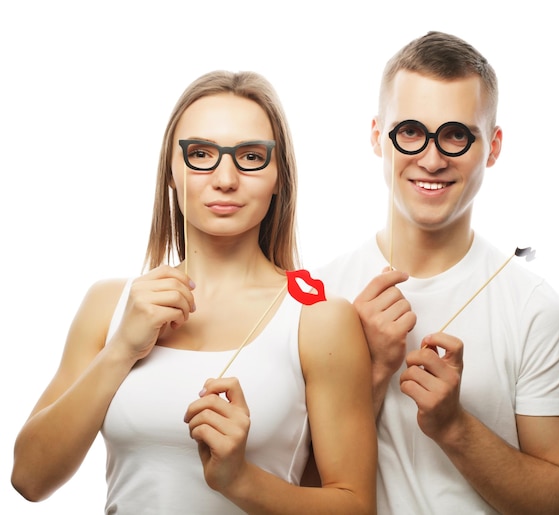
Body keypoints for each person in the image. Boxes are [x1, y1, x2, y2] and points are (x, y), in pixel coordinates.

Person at [11, 70, 377, 514]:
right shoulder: (110, 305)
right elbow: (29, 479)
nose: (225, 179)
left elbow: (355, 506)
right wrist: (122, 349)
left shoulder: (319, 320)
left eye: (250, 156)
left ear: (279, 175)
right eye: (201, 154)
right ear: (171, 170)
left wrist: (241, 481)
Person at [316, 31, 559, 514]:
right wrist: (371, 374)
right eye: (410, 132)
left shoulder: (534, 310)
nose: (431, 158)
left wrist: (454, 427)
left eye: (455, 135)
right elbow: (283, 487)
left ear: (493, 146)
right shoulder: (317, 298)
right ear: (378, 135)